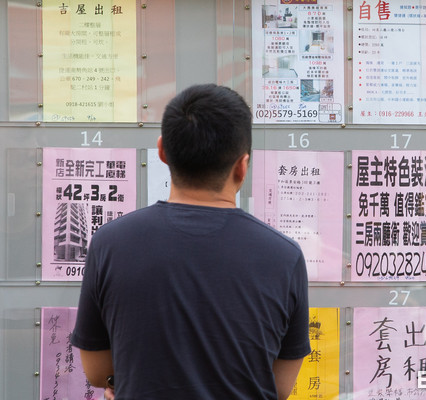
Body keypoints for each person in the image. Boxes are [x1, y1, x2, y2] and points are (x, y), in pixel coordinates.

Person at [71, 84, 311, 399]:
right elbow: (279, 387)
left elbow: (97, 371)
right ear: (242, 165)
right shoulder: (284, 255)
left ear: (162, 151)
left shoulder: (111, 243)